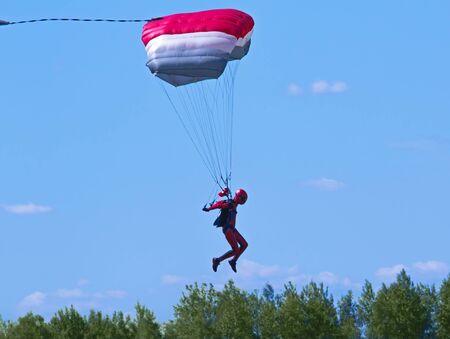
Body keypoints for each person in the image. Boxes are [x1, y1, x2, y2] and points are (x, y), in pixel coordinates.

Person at [203, 188, 248, 273]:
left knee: (244, 245)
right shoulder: (229, 204)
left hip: (232, 229)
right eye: (242, 198)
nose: (243, 201)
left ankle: (233, 261)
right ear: (238, 197)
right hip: (228, 229)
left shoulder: (233, 203)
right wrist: (209, 208)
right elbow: (219, 205)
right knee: (235, 250)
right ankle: (217, 260)